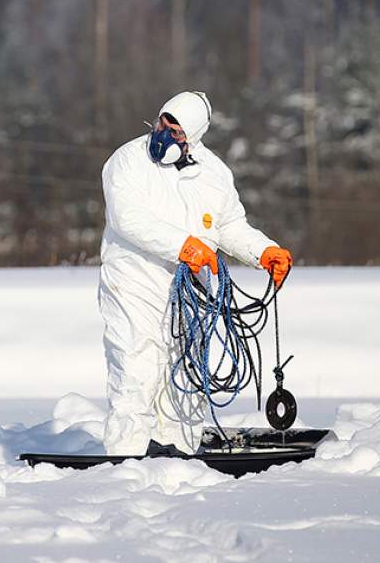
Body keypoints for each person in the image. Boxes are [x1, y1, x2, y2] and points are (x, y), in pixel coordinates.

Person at [97, 90, 292, 455]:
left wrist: (263, 251)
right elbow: (127, 218)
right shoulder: (127, 161)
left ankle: (181, 458)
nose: (165, 132)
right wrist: (183, 246)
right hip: (134, 283)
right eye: (163, 122)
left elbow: (230, 225)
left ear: (195, 135)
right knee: (137, 368)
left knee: (185, 376)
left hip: (192, 291)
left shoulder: (215, 174)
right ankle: (125, 459)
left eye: (176, 129)